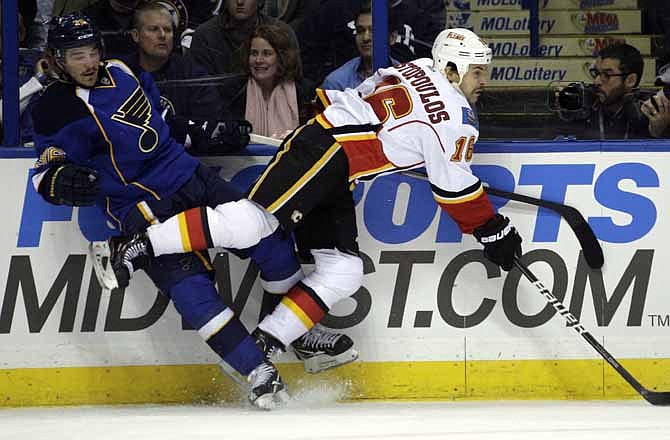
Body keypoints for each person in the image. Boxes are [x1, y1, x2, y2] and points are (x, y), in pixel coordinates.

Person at [106, 28, 524, 365]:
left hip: (338, 159)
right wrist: (493, 229)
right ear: (451, 70)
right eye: (477, 72)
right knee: (254, 223)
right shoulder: (457, 120)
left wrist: (407, 151)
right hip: (328, 149)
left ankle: (269, 341)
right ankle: (138, 245)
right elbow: (455, 187)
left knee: (344, 271)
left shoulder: (416, 68)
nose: (483, 81)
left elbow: (367, 98)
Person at [31, 12, 304, 409]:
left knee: (272, 241)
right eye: (76, 56)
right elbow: (45, 170)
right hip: (140, 207)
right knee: (194, 295)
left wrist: (204, 130)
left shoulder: (123, 71)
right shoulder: (54, 108)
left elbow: (162, 121)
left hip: (190, 176)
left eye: (92, 51)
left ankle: (290, 331)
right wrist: (60, 180)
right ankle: (257, 370)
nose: (88, 63)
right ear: (57, 59)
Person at [123, 2, 249, 154]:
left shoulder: (192, 74)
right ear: (136, 35)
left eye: (168, 30)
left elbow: (210, 124)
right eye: (153, 29)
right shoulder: (121, 73)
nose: (162, 35)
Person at [221, 23, 314, 139]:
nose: (258, 60)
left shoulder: (305, 92)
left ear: (282, 57)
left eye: (267, 53)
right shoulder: (233, 91)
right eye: (254, 53)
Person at [556, 43, 650, 139]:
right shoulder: (586, 105)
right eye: (596, 73)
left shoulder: (647, 113)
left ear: (630, 80)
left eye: (607, 75)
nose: (597, 81)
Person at [189, 0, 299, 76]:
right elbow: (200, 91)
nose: (240, 2)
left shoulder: (281, 32)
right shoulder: (205, 35)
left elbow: (293, 83)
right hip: (217, 108)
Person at [320, 1, 399, 91]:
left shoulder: (406, 76)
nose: (365, 38)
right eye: (360, 31)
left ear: (392, 37)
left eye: (374, 30)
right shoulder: (337, 83)